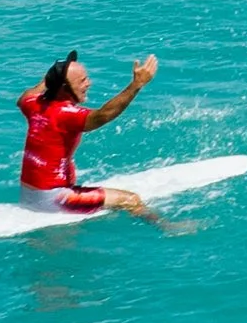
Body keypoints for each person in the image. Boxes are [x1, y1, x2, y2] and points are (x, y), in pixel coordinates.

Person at [17, 49, 171, 220]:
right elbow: (103, 115)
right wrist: (136, 85)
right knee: (131, 200)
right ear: (64, 88)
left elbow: (24, 97)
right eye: (82, 81)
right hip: (54, 199)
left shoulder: (33, 104)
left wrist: (54, 76)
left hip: (29, 194)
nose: (88, 84)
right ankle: (169, 228)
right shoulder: (66, 114)